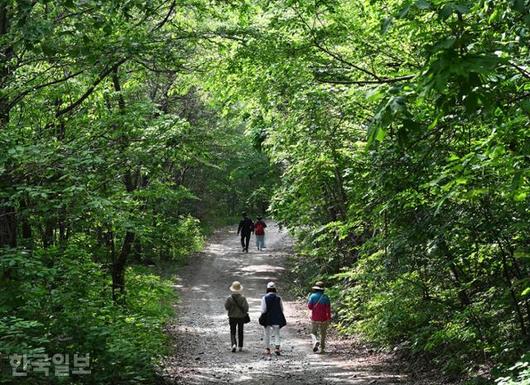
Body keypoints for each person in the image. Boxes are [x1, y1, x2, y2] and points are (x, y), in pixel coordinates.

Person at [260, 281, 286, 355]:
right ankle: (277, 348)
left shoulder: (264, 298)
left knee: (266, 333)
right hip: (276, 317)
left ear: (267, 289)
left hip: (267, 318)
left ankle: (267, 349)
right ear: (275, 289)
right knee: (277, 333)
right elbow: (281, 309)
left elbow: (263, 310)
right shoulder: (278, 298)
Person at [224, 281, 249, 352]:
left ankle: (233, 344)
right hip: (241, 317)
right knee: (240, 331)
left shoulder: (229, 298)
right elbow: (246, 308)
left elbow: (226, 307)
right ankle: (240, 346)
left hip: (232, 317)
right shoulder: (243, 298)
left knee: (232, 331)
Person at [307, 281, 332, 354]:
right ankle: (322, 349)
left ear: (315, 289)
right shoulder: (326, 297)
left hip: (315, 318)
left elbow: (310, 307)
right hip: (324, 318)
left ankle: (315, 341)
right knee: (323, 333)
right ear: (323, 289)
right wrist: (329, 318)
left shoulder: (312, 296)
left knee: (313, 332)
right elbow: (328, 309)